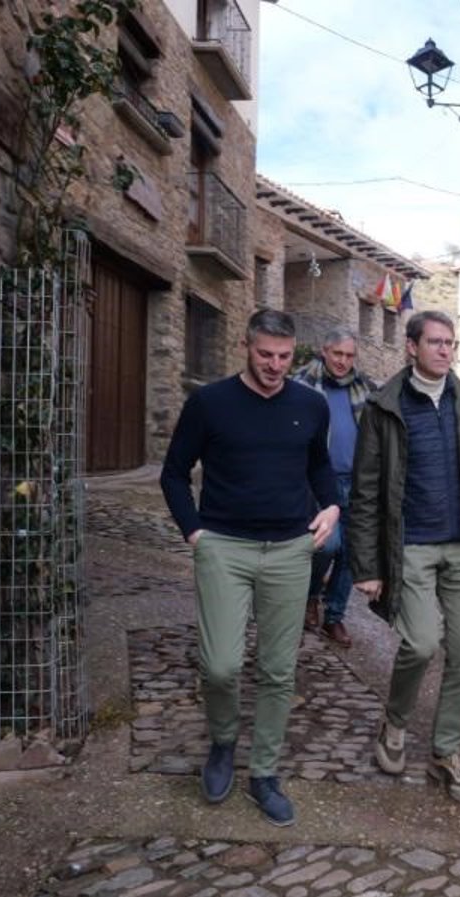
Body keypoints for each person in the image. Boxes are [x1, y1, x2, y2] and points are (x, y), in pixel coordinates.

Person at [160, 308, 341, 827]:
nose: (274, 365)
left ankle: (264, 772)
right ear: (246, 346)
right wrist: (195, 533)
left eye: (283, 356)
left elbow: (318, 464)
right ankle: (222, 743)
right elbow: (174, 473)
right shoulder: (209, 403)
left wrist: (332, 505)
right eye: (265, 354)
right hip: (224, 548)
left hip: (289, 551)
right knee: (220, 665)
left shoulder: (310, 405)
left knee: (279, 670)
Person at [348, 309, 460, 805]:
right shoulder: (384, 407)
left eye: (450, 343)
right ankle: (395, 722)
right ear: (412, 347)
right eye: (436, 342)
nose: (445, 350)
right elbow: (365, 490)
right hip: (411, 547)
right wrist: (367, 565)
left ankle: (446, 751)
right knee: (420, 643)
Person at [292, 325, 377, 648]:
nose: (343, 361)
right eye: (337, 354)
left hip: (357, 481)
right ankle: (310, 594)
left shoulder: (365, 388)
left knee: (351, 552)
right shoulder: (301, 385)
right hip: (318, 481)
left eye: (349, 355)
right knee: (327, 545)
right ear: (324, 352)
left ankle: (335, 616)